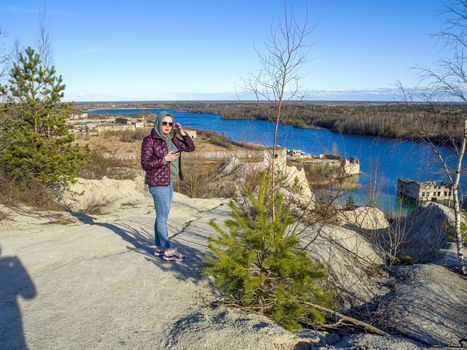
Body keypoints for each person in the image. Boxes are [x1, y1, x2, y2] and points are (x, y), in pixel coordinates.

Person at [141, 111, 195, 261]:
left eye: (170, 124)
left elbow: (190, 148)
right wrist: (165, 159)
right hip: (158, 183)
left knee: (161, 216)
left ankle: (159, 248)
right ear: (159, 123)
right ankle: (167, 249)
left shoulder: (173, 138)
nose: (167, 126)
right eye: (165, 123)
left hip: (170, 182)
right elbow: (145, 164)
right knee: (162, 217)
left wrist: (182, 132)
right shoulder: (149, 140)